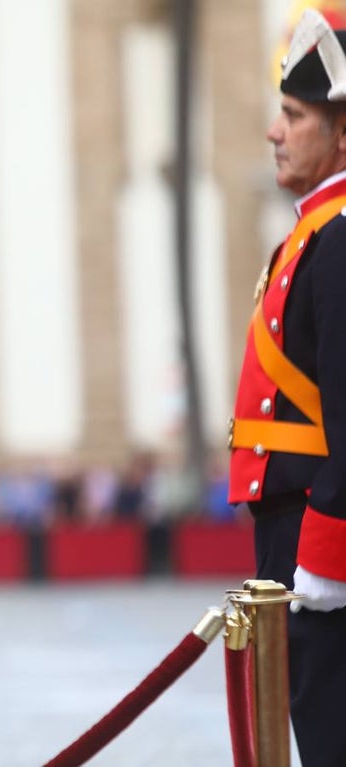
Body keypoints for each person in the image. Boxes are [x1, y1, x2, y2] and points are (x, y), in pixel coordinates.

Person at [228, 10, 346, 766]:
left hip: (318, 535)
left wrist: (327, 559)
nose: (275, 131)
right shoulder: (314, 229)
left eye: (295, 115)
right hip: (293, 530)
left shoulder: (338, 240)